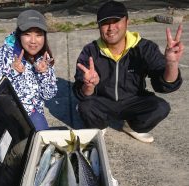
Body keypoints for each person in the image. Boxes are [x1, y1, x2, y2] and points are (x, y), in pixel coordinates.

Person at [73, 1, 184, 143]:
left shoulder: (145, 48)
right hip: (102, 101)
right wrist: (89, 86)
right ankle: (99, 127)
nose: (111, 28)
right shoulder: (90, 51)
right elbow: (80, 91)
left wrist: (171, 64)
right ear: (99, 26)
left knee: (161, 107)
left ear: (127, 22)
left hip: (133, 100)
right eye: (105, 23)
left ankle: (131, 126)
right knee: (85, 106)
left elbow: (164, 84)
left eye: (116, 21)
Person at [0, 10, 57, 131]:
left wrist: (44, 74)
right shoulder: (4, 53)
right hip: (8, 115)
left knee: (41, 140)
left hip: (35, 114)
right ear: (19, 34)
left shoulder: (44, 58)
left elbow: (48, 95)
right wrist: (13, 72)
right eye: (27, 34)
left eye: (39, 34)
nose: (33, 41)